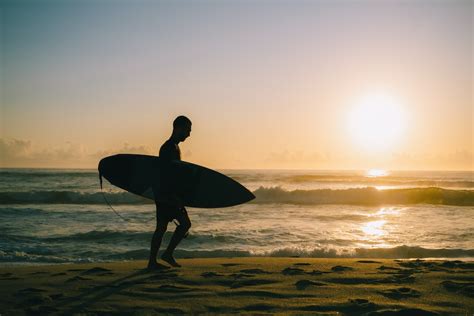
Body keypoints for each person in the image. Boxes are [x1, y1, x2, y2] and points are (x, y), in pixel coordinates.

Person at [148, 115, 192, 269]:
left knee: (162, 227)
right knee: (183, 224)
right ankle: (163, 256)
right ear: (178, 128)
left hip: (166, 194)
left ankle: (155, 261)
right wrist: (173, 197)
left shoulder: (174, 147)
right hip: (166, 195)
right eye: (187, 130)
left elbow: (175, 174)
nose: (189, 134)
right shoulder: (168, 148)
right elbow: (165, 175)